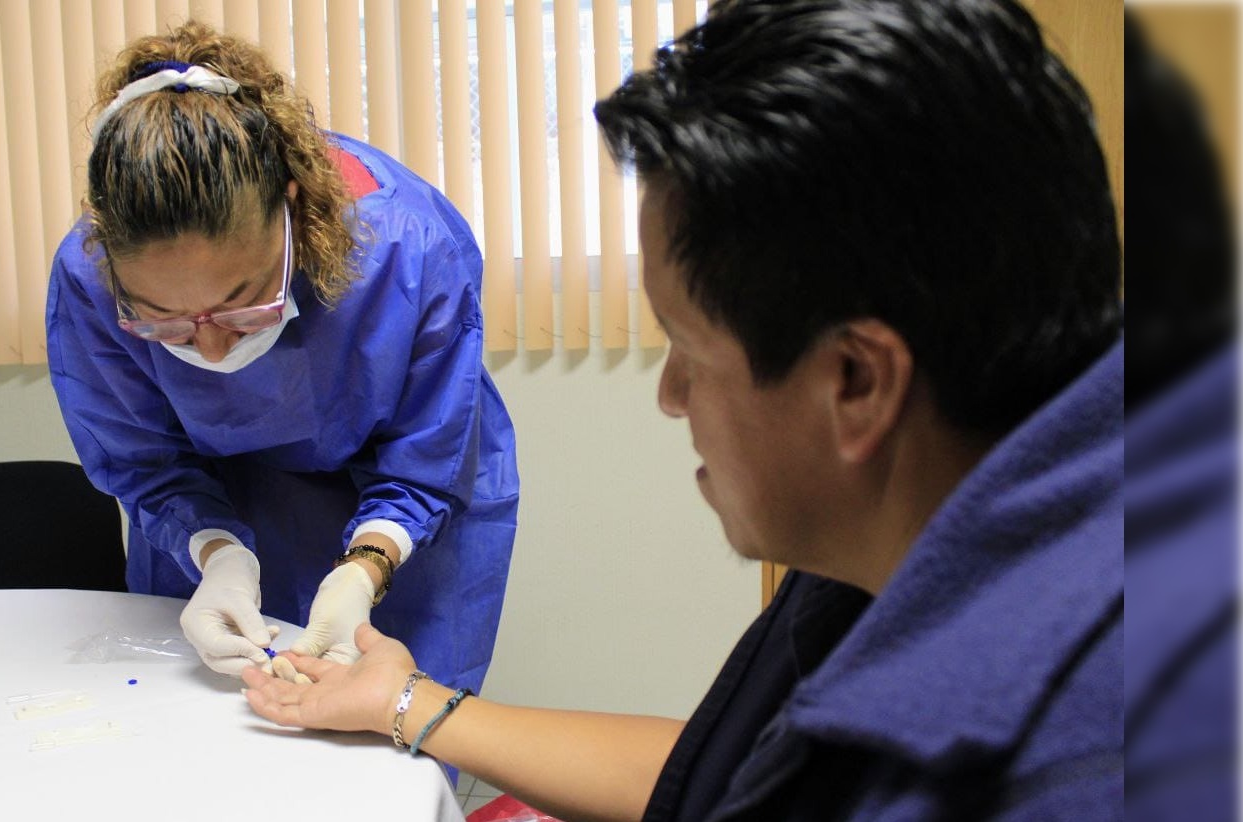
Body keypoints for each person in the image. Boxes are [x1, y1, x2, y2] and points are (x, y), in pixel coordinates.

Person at [241, 0, 1123, 818]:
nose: (668, 397)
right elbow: (743, 773)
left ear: (856, 381)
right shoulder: (952, 502)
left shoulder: (1064, 764)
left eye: (688, 351)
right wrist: (407, 703)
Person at [45, 21, 519, 702]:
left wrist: (366, 568)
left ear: (291, 208)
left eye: (241, 307)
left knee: (389, 743)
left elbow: (430, 449)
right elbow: (141, 456)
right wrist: (218, 556)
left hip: (400, 498)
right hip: (214, 498)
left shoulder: (403, 247)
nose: (209, 347)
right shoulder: (91, 278)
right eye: (167, 321)